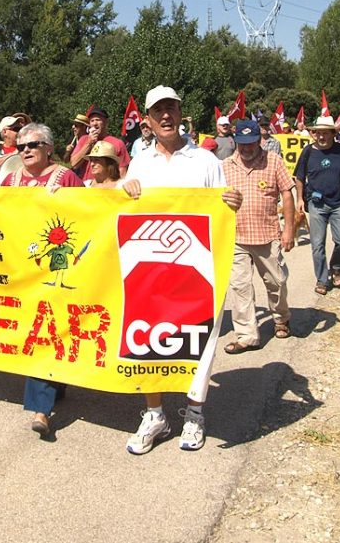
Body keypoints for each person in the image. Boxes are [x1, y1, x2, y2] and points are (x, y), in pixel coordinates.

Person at [120, 86, 242, 454]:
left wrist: (232, 202)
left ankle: (194, 413)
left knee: (200, 341)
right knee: (147, 339)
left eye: (171, 108)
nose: (166, 117)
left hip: (197, 270)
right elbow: (126, 207)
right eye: (158, 112)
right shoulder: (141, 161)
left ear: (181, 112)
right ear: (148, 120)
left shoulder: (205, 161)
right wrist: (125, 189)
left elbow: (222, 209)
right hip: (152, 272)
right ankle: (154, 413)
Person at [0, 122, 83, 437]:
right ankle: (55, 384)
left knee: (44, 332)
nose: (26, 151)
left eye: (33, 145)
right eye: (21, 147)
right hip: (22, 270)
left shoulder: (67, 178)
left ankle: (41, 409)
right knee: (42, 333)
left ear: (48, 147)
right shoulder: (11, 180)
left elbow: (92, 214)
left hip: (56, 270)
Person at [221, 120, 294, 353]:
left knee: (277, 283)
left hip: (267, 235)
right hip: (235, 237)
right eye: (242, 144)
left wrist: (289, 230)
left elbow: (287, 193)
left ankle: (281, 318)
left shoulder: (273, 161)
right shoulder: (225, 166)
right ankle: (247, 335)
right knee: (240, 286)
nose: (246, 149)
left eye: (250, 144)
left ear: (259, 140)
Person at [293, 115, 340, 296]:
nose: (321, 136)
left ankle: (337, 268)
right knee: (317, 245)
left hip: (339, 203)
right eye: (318, 133)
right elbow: (299, 177)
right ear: (314, 134)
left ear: (333, 133)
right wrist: (300, 199)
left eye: (325, 133)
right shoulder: (308, 152)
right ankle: (322, 280)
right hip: (316, 204)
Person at [69, 106, 130, 181]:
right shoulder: (83, 140)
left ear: (106, 122)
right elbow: (74, 164)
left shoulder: (117, 143)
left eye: (98, 120)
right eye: (92, 121)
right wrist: (89, 143)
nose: (95, 123)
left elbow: (122, 172)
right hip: (86, 187)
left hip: (107, 188)